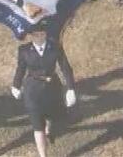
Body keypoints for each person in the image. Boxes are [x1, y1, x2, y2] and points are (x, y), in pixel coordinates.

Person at [11, 17, 76, 157]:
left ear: (46, 34)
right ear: (30, 36)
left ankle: (48, 129)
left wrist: (71, 89)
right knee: (37, 126)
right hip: (32, 91)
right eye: (36, 35)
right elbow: (20, 69)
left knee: (51, 116)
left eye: (42, 34)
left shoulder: (55, 47)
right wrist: (15, 85)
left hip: (52, 88)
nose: (39, 38)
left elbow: (65, 68)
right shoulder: (24, 50)